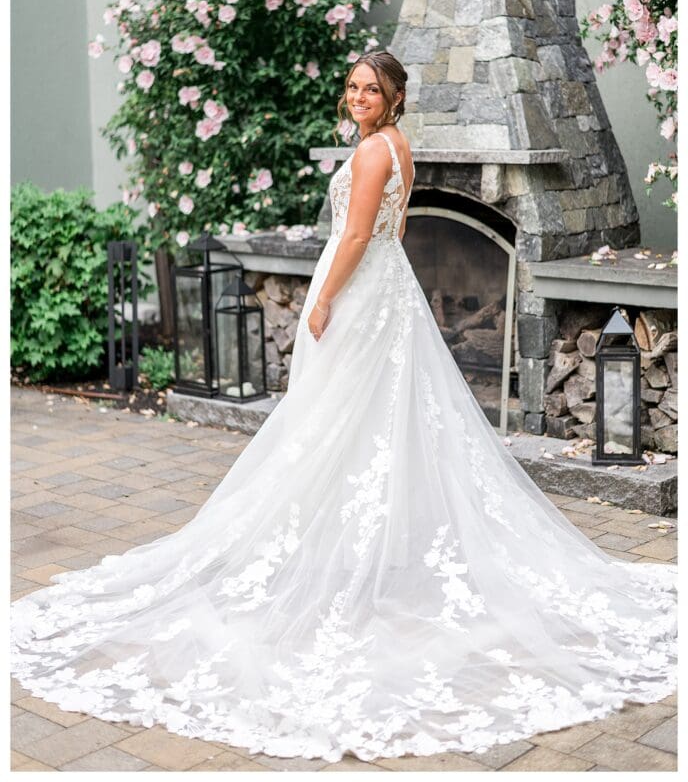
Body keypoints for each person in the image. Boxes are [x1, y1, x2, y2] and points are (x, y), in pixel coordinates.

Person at [10, 51, 677, 765]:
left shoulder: (371, 154)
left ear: (393, 98)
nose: (359, 95)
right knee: (373, 420)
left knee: (334, 421)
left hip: (361, 294)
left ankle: (337, 549)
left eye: (372, 89)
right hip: (390, 290)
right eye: (354, 86)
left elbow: (357, 236)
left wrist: (323, 298)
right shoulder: (397, 146)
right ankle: (355, 541)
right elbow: (382, 234)